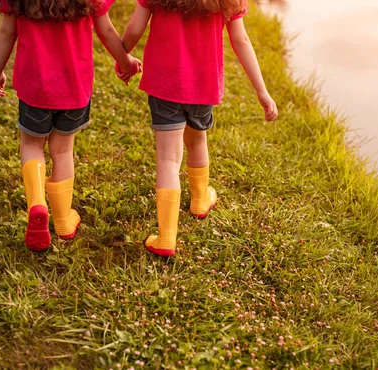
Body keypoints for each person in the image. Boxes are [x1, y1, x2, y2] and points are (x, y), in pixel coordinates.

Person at [117, 0, 278, 257]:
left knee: (168, 159)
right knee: (197, 141)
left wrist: (122, 57)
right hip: (203, 85)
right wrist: (262, 91)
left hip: (164, 84)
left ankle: (167, 238)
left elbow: (136, 28)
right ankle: (200, 200)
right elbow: (241, 40)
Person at [0, 0, 141, 251]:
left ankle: (37, 203)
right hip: (74, 88)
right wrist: (125, 61)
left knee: (31, 144)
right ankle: (62, 221)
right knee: (62, 150)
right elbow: (106, 31)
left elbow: (8, 31)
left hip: (34, 88)